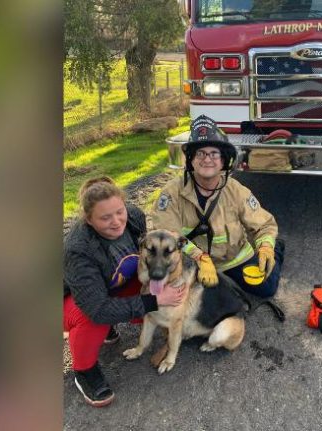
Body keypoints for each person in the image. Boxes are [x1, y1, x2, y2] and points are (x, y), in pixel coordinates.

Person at [63, 176, 186, 407]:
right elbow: (97, 309)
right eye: (105, 217)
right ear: (89, 220)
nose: (117, 222)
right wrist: (153, 301)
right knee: (92, 318)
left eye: (119, 211)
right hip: (70, 299)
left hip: (108, 285)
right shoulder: (77, 249)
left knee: (152, 300)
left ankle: (111, 327)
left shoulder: (134, 217)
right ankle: (84, 372)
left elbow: (148, 256)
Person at [152, 115, 285, 297]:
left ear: (223, 161)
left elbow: (264, 224)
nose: (207, 159)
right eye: (200, 153)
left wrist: (266, 247)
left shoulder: (235, 190)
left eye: (214, 153)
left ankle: (277, 249)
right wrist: (199, 257)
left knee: (266, 288)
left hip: (233, 259)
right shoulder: (171, 193)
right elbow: (164, 235)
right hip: (192, 262)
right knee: (171, 294)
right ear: (191, 160)